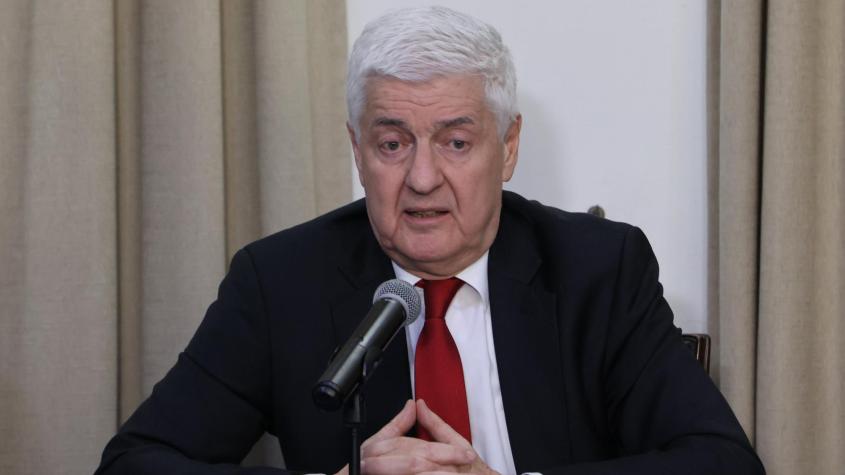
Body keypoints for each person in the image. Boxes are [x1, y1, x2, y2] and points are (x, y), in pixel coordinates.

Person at [95, 6, 765, 475]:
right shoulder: (279, 282)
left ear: (507, 147)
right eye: (392, 143)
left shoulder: (598, 269)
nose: (421, 178)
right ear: (357, 150)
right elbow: (134, 463)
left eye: (456, 142)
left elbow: (721, 462)